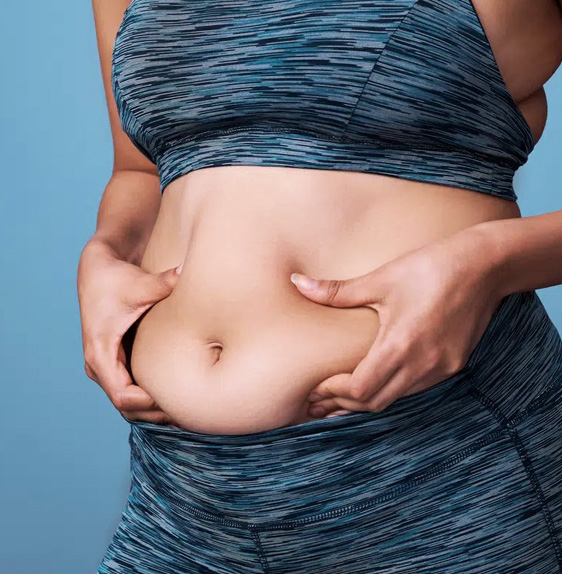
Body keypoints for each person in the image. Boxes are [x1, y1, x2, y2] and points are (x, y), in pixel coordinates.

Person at [80, 0, 562, 571]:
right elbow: (138, 170)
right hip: (181, 493)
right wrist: (105, 252)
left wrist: (489, 263)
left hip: (440, 464)